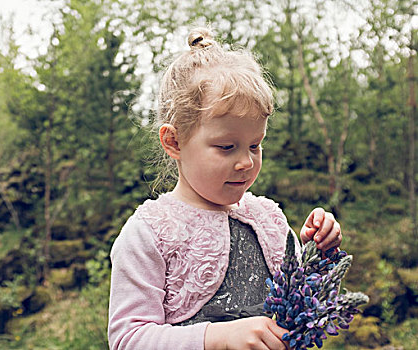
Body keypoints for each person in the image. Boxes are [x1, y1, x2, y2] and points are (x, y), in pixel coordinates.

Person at [108, 27, 343, 350]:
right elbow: (128, 339)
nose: (246, 162)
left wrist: (321, 253)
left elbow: (307, 312)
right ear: (174, 141)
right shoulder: (150, 232)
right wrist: (217, 337)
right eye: (226, 146)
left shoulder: (268, 219)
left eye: (255, 145)